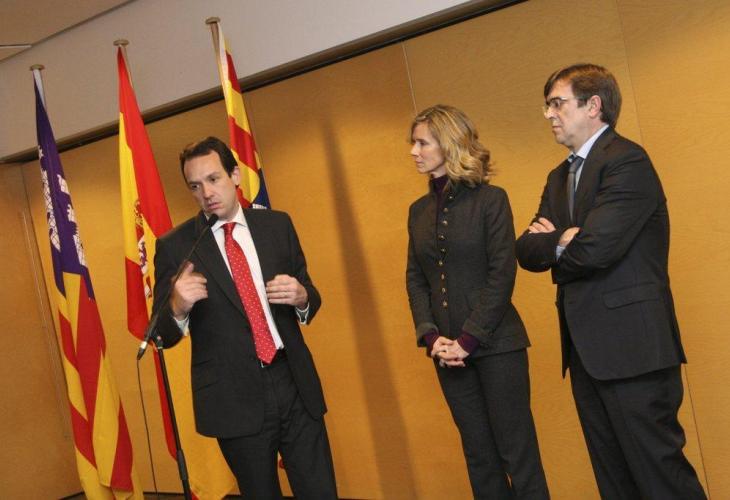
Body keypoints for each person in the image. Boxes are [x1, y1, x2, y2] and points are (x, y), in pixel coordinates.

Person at [516, 64, 706, 499]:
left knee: (661, 478)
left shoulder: (627, 161)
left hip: (634, 349)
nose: (548, 114)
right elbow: (525, 250)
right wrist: (564, 239)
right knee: (614, 483)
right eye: (547, 105)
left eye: (557, 103)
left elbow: (597, 249)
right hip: (585, 354)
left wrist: (558, 241)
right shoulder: (558, 177)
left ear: (593, 106)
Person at [152, 137, 337, 499]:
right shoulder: (176, 246)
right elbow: (160, 334)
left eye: (214, 179)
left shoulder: (277, 226)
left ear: (235, 175)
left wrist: (302, 296)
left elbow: (310, 295)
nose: (206, 193)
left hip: (294, 383)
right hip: (234, 397)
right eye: (195, 186)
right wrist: (177, 305)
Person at [406, 105, 549, 499]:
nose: (414, 151)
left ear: (449, 144)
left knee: (517, 453)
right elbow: (416, 279)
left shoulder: (491, 200)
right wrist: (432, 338)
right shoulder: (417, 212)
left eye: (422, 143)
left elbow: (502, 273)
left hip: (497, 346)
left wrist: (468, 340)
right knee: (479, 456)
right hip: (446, 353)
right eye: (413, 143)